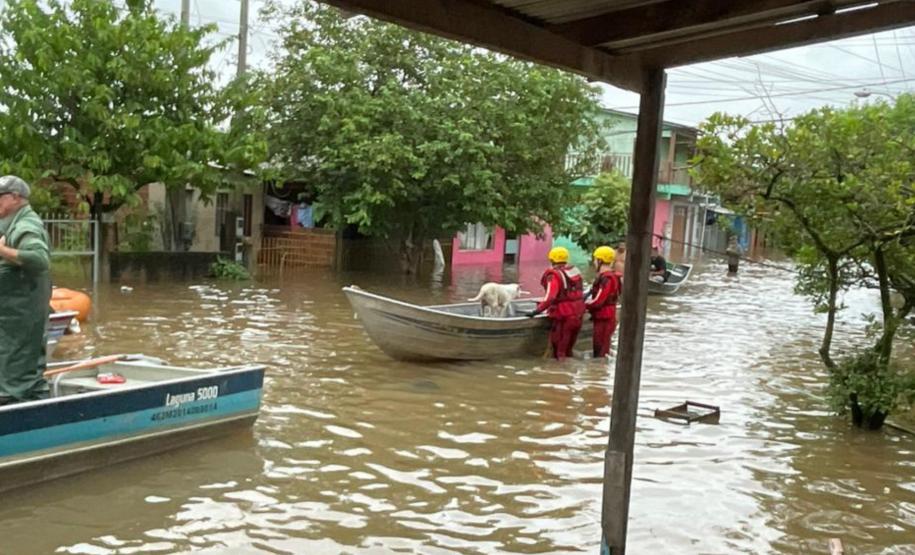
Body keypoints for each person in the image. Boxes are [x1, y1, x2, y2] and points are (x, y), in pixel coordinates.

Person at [0, 175, 51, 404]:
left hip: (21, 317)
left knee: (18, 372)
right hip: (11, 316)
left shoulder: (26, 225)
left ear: (15, 197)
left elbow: (39, 259)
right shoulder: (9, 222)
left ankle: (23, 411)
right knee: (18, 370)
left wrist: (3, 251)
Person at [525, 246, 585, 360]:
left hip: (564, 315)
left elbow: (550, 297)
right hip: (578, 313)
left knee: (559, 350)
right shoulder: (574, 271)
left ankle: (559, 370)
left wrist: (537, 311)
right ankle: (569, 370)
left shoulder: (554, 275)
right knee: (568, 349)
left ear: (552, 259)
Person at [586, 246, 622, 358]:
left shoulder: (607, 279)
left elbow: (599, 301)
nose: (594, 262)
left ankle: (600, 368)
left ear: (600, 260)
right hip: (606, 315)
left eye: (595, 260)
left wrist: (584, 305)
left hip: (605, 317)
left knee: (600, 350)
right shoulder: (610, 276)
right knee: (600, 348)